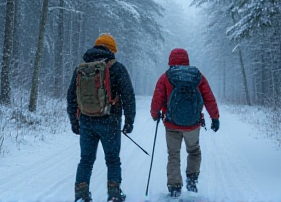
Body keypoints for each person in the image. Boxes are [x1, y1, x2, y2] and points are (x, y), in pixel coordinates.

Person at [67, 34, 136, 202]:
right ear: (112, 50)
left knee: (86, 159)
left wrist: (74, 121)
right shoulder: (117, 68)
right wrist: (129, 121)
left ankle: (81, 194)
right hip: (110, 121)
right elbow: (128, 95)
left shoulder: (81, 69)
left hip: (86, 120)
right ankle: (114, 194)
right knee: (112, 159)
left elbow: (71, 97)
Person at [150, 48, 220, 197]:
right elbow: (209, 97)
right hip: (192, 125)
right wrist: (215, 117)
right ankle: (192, 179)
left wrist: (155, 114)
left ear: (170, 60)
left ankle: (175, 186)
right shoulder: (197, 76)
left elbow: (158, 98)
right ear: (187, 59)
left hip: (171, 124)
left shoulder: (166, 77)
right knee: (194, 151)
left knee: (173, 154)